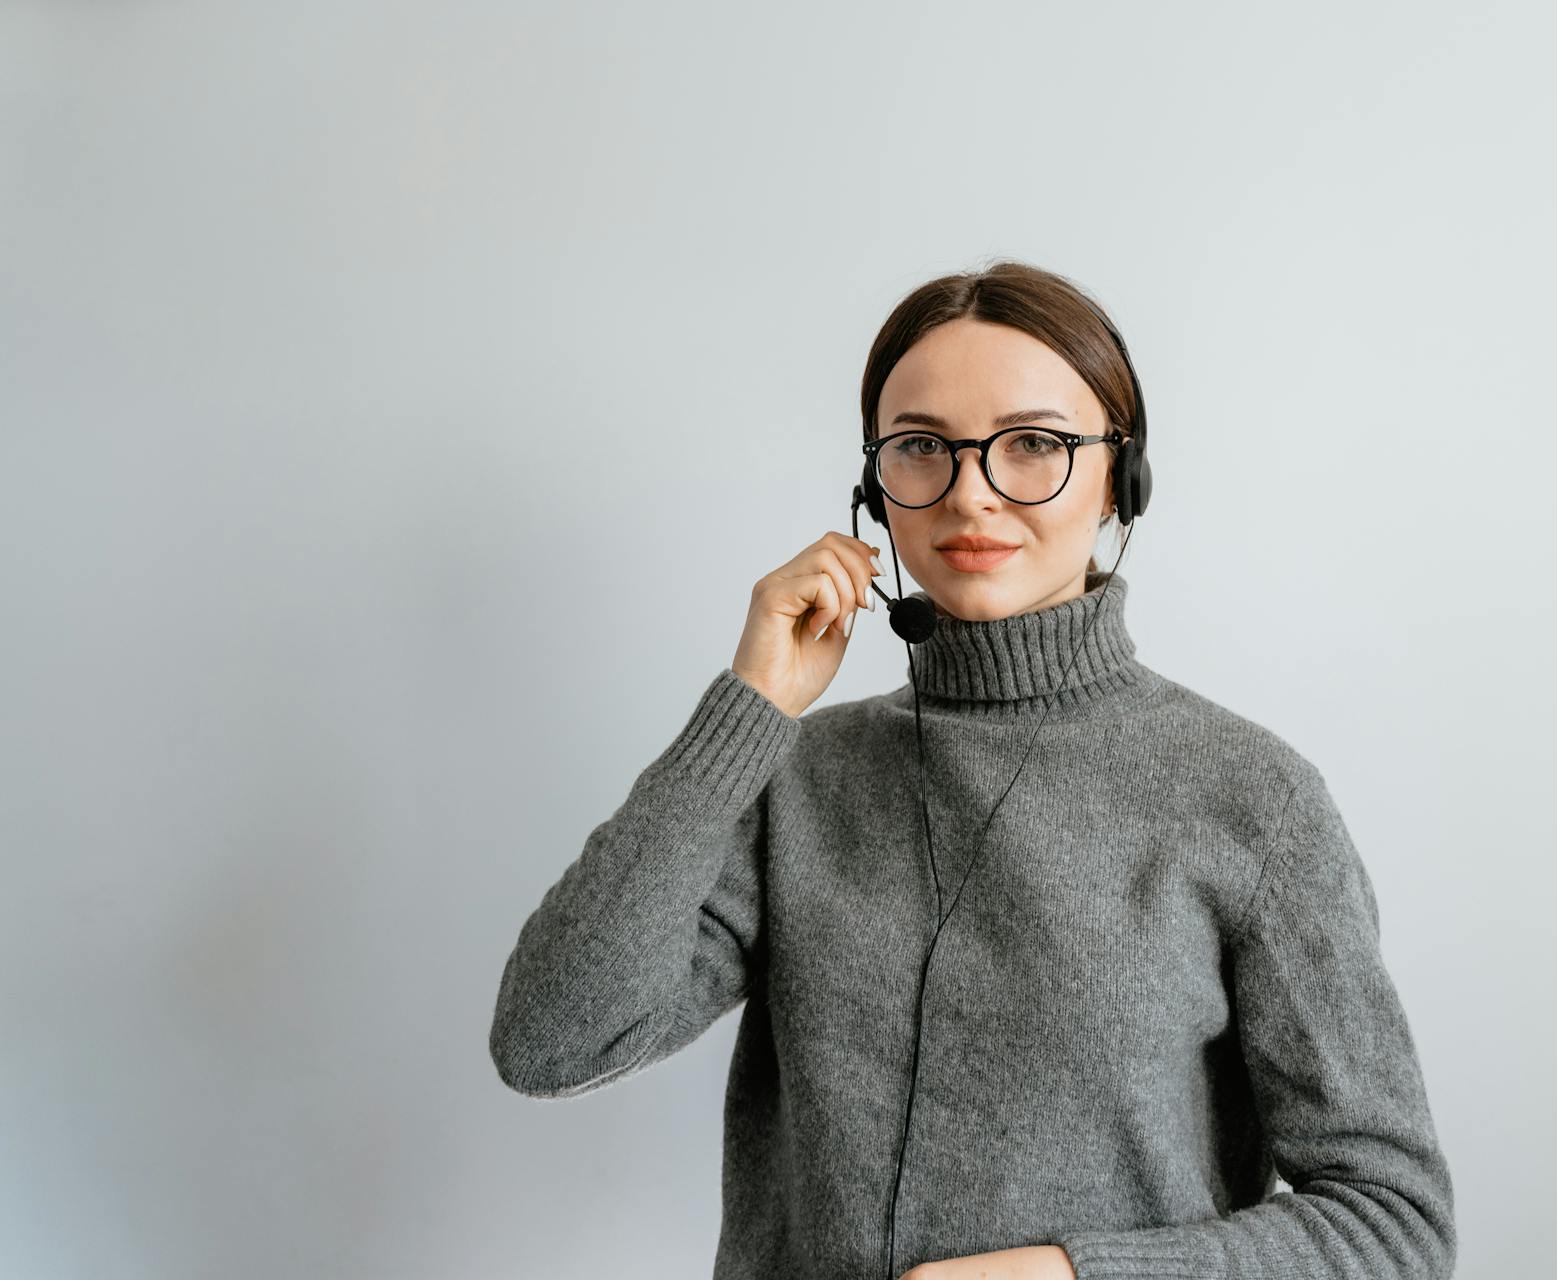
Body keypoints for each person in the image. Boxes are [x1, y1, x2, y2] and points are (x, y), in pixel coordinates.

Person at [489, 260, 1457, 1280]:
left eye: (1034, 444)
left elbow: (1391, 1225)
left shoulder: (1253, 798)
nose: (970, 493)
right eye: (921, 449)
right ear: (875, 491)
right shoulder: (796, 778)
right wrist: (749, 708)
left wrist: (1073, 1274)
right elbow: (552, 1039)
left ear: (1122, 478)